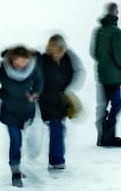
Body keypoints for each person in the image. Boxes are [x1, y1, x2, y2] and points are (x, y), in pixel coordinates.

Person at [0, 45, 43, 188]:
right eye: (18, 62)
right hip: (10, 111)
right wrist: (4, 97)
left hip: (27, 110)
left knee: (25, 140)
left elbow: (39, 81)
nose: (21, 65)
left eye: (24, 62)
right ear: (12, 59)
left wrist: (34, 94)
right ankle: (15, 171)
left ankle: (19, 163)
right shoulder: (4, 67)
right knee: (15, 140)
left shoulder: (33, 67)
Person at [39, 35, 84, 173]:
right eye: (56, 49)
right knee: (56, 127)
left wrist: (69, 89)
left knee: (59, 129)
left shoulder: (68, 58)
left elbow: (78, 72)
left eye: (61, 50)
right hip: (46, 100)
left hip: (61, 100)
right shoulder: (42, 60)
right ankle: (56, 160)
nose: (59, 53)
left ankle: (56, 159)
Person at [90, 3, 121, 148]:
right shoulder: (117, 33)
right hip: (114, 76)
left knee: (103, 105)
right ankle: (108, 136)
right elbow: (120, 57)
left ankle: (102, 136)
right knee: (117, 105)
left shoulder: (98, 31)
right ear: (116, 14)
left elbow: (93, 52)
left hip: (101, 74)